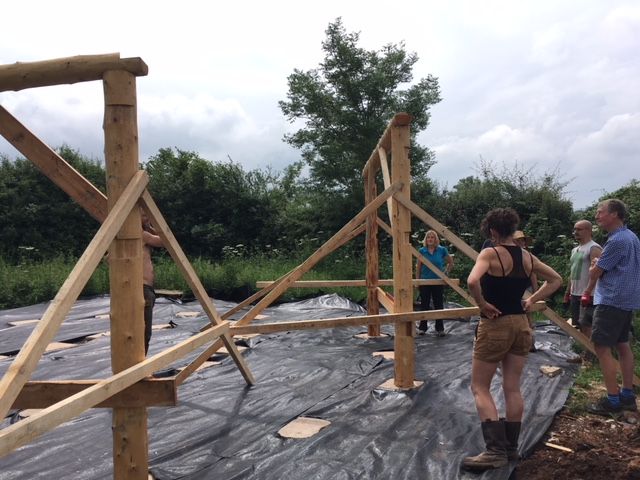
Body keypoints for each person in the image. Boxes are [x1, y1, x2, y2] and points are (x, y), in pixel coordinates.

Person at [462, 208, 562, 471]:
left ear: (493, 231)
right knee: (512, 387)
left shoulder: (490, 253)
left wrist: (482, 303)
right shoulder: (527, 257)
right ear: (512, 229)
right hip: (521, 325)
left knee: (480, 387)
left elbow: (472, 280)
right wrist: (531, 300)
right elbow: (556, 279)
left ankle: (494, 451)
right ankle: (511, 449)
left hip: (495, 325)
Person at [582, 199, 640, 415]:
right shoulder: (631, 237)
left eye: (600, 212)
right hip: (627, 300)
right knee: (623, 345)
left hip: (611, 299)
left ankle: (612, 400)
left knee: (601, 347)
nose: (597, 216)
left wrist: (596, 267)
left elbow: (595, 272)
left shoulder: (616, 241)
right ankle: (626, 394)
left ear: (614, 214)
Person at [563, 220, 602, 338]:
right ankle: (584, 352)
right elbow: (573, 272)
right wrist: (567, 292)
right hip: (575, 293)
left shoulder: (594, 248)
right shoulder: (574, 250)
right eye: (574, 229)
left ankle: (590, 354)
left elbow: (597, 271)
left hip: (589, 294)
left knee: (587, 325)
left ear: (589, 231)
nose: (575, 232)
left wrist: (588, 292)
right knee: (578, 325)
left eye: (579, 229)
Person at [415, 230, 453, 336]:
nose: (430, 239)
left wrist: (446, 273)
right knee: (424, 305)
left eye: (432, 237)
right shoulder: (422, 251)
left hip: (438, 281)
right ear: (426, 240)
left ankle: (440, 328)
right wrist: (417, 281)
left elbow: (450, 262)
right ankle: (423, 327)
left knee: (438, 304)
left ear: (436, 239)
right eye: (428, 237)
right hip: (425, 281)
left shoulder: (442, 250)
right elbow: (418, 267)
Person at [141, 208, 164, 355]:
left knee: (142, 331)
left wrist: (147, 224)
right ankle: (138, 366)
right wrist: (150, 226)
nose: (146, 218)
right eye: (143, 215)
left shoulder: (140, 234)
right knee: (144, 331)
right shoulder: (141, 234)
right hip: (143, 289)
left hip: (145, 288)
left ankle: (137, 365)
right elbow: (164, 240)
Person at [513, 230, 539, 352]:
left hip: (525, 289)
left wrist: (536, 293)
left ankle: (531, 344)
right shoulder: (508, 255)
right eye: (517, 240)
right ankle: (516, 343)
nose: (520, 242)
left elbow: (533, 275)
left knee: (527, 316)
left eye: (521, 240)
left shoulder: (528, 256)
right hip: (512, 289)